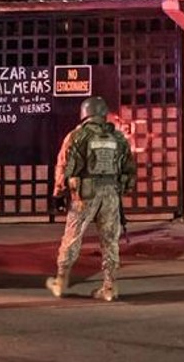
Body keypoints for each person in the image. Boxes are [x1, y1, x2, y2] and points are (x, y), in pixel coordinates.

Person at [46, 96, 136, 302]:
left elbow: (65, 166)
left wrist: (58, 193)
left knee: (72, 237)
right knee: (110, 241)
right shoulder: (118, 138)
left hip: (84, 194)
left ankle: (61, 282)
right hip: (111, 194)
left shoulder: (77, 136)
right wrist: (123, 188)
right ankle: (110, 287)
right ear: (103, 113)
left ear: (85, 113)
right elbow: (129, 168)